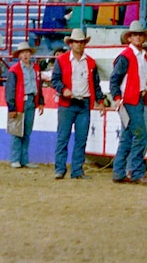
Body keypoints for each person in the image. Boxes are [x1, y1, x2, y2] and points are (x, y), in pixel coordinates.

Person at [51, 28, 106, 180]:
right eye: (76, 42)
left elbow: (95, 84)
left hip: (83, 102)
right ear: (71, 44)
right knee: (63, 137)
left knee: (81, 139)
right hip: (68, 103)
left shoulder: (90, 63)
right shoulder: (61, 60)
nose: (79, 45)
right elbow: (55, 80)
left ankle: (76, 170)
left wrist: (100, 101)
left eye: (81, 42)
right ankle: (61, 169)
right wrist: (64, 90)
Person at [110, 21, 147, 185]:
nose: (138, 37)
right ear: (130, 37)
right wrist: (117, 98)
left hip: (134, 99)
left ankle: (119, 172)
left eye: (140, 35)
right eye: (135, 35)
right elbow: (115, 80)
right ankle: (136, 172)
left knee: (128, 137)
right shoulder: (127, 57)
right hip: (130, 100)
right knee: (141, 136)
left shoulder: (139, 57)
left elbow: (118, 80)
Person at [5, 41, 45, 169]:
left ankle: (24, 159)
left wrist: (40, 102)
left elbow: (38, 86)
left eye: (27, 52)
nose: (25, 55)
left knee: (27, 131)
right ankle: (15, 159)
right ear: (19, 55)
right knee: (17, 131)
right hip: (19, 102)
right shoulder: (14, 70)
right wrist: (11, 107)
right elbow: (10, 90)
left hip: (31, 101)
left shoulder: (35, 69)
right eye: (23, 53)